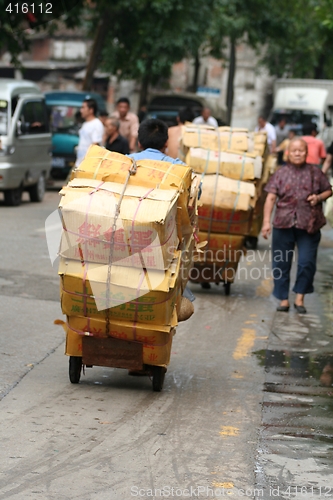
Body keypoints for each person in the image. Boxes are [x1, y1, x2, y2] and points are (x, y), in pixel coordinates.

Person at [262, 138, 332, 314]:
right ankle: (284, 299)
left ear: (307, 153)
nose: (298, 153)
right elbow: (270, 198)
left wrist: (318, 198)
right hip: (283, 224)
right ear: (288, 153)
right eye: (294, 150)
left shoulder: (315, 173)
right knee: (281, 263)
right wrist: (265, 223)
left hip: (309, 225)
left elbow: (328, 189)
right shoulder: (280, 173)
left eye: (301, 150)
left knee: (306, 262)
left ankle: (300, 298)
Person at [75, 98, 104, 167]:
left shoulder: (96, 124)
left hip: (87, 164)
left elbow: (95, 145)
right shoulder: (85, 123)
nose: (81, 110)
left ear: (91, 110)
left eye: (83, 108)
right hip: (79, 162)